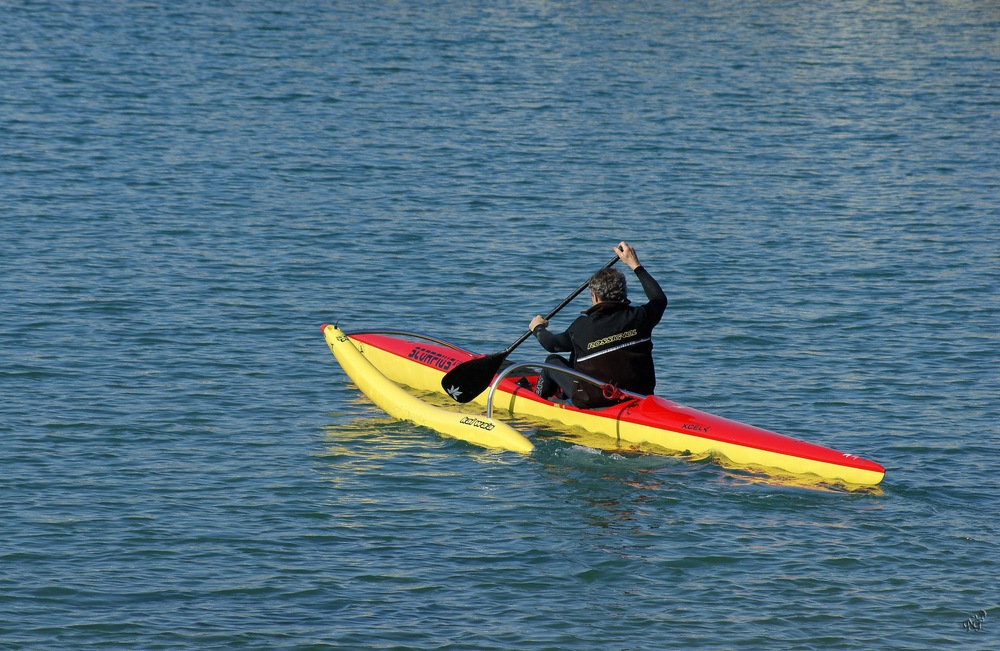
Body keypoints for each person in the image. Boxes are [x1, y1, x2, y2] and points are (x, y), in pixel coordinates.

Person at [528, 241, 667, 408]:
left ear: (595, 297)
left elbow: (552, 345)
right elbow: (659, 299)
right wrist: (634, 264)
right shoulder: (640, 316)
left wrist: (538, 328)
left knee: (551, 361)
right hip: (639, 395)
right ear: (623, 293)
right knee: (576, 354)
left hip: (593, 400)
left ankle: (538, 403)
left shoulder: (581, 328)